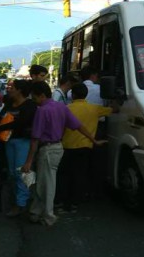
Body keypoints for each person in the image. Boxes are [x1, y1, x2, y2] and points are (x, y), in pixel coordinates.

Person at [22, 81, 101, 226]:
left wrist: (28, 161)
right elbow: (78, 126)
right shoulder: (61, 107)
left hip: (46, 149)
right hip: (58, 147)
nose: (34, 101)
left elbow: (35, 139)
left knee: (46, 184)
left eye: (34, 97)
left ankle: (47, 215)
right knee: (47, 181)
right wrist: (93, 140)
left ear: (42, 95)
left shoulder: (42, 110)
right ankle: (37, 212)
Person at [56, 83, 116, 212]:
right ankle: (74, 203)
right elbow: (114, 109)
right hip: (85, 147)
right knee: (79, 175)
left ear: (73, 95)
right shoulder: (94, 108)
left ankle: (61, 201)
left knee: (64, 175)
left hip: (66, 146)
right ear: (86, 94)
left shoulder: (66, 108)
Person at [0, 79, 37, 217]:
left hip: (23, 141)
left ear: (20, 90)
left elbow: (22, 122)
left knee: (21, 172)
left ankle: (21, 203)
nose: (9, 89)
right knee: (12, 172)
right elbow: (0, 117)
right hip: (8, 140)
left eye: (12, 87)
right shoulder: (10, 103)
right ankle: (19, 199)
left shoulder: (29, 105)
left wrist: (1, 127)